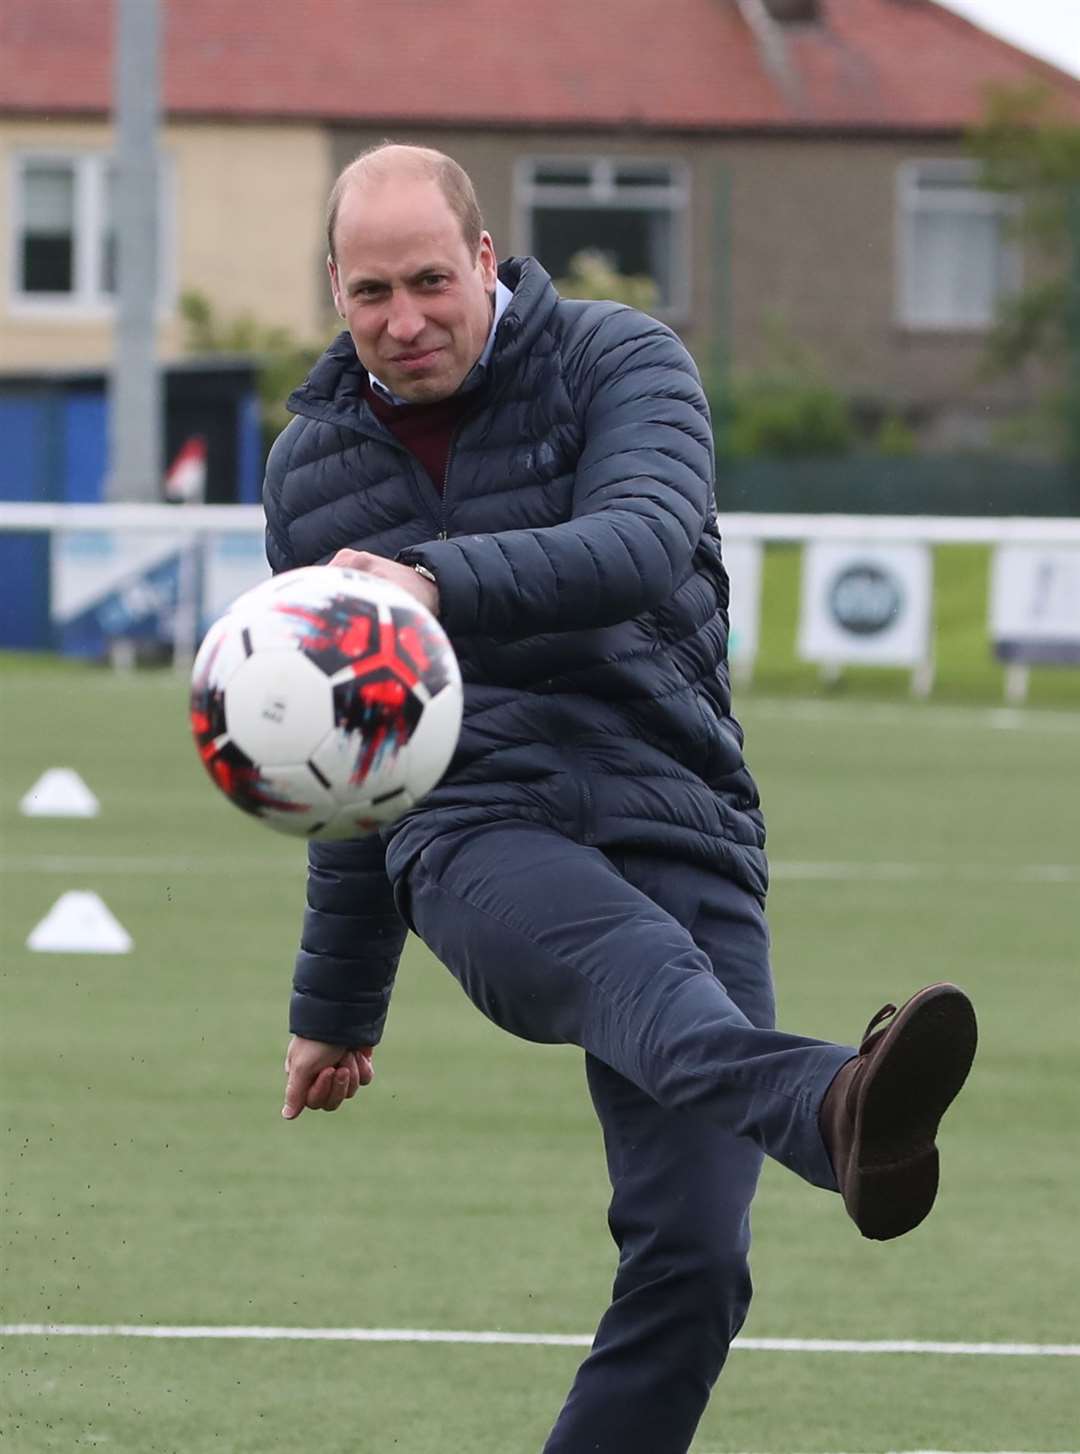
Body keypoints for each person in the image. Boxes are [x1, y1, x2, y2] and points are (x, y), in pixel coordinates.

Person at [262, 142, 977, 1454]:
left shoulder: (623, 360)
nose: (403, 319)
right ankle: (833, 1104)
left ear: (486, 259)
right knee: (634, 964)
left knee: (697, 1261)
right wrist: (336, 1005)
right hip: (473, 827)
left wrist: (430, 581)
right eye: (370, 293)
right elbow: (341, 749)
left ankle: (830, 1112)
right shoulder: (310, 476)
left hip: (677, 807)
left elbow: (641, 542)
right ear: (334, 289)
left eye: (429, 279)